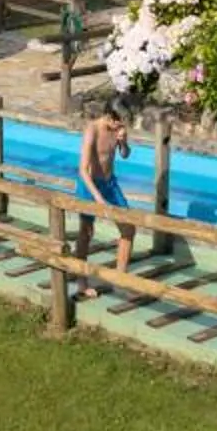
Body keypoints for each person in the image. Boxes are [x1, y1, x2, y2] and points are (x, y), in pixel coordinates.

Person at [74, 102, 137, 297]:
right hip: (90, 184)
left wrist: (124, 142)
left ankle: (120, 278)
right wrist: (98, 198)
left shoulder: (117, 128)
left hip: (110, 183)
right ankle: (82, 282)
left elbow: (125, 155)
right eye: (118, 123)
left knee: (128, 228)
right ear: (109, 116)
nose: (120, 126)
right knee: (87, 232)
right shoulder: (92, 131)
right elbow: (83, 170)